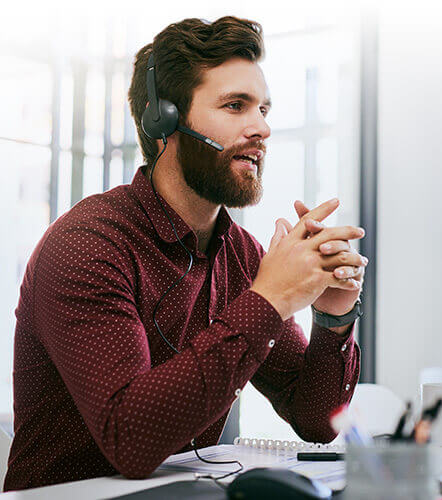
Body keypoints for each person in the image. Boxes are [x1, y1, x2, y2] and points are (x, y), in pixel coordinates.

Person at [4, 16, 367, 491]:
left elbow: (318, 421)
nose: (261, 129)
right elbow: (129, 438)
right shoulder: (88, 245)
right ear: (164, 120)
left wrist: (332, 317)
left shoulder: (239, 255)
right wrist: (271, 297)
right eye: (236, 106)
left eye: (264, 110)